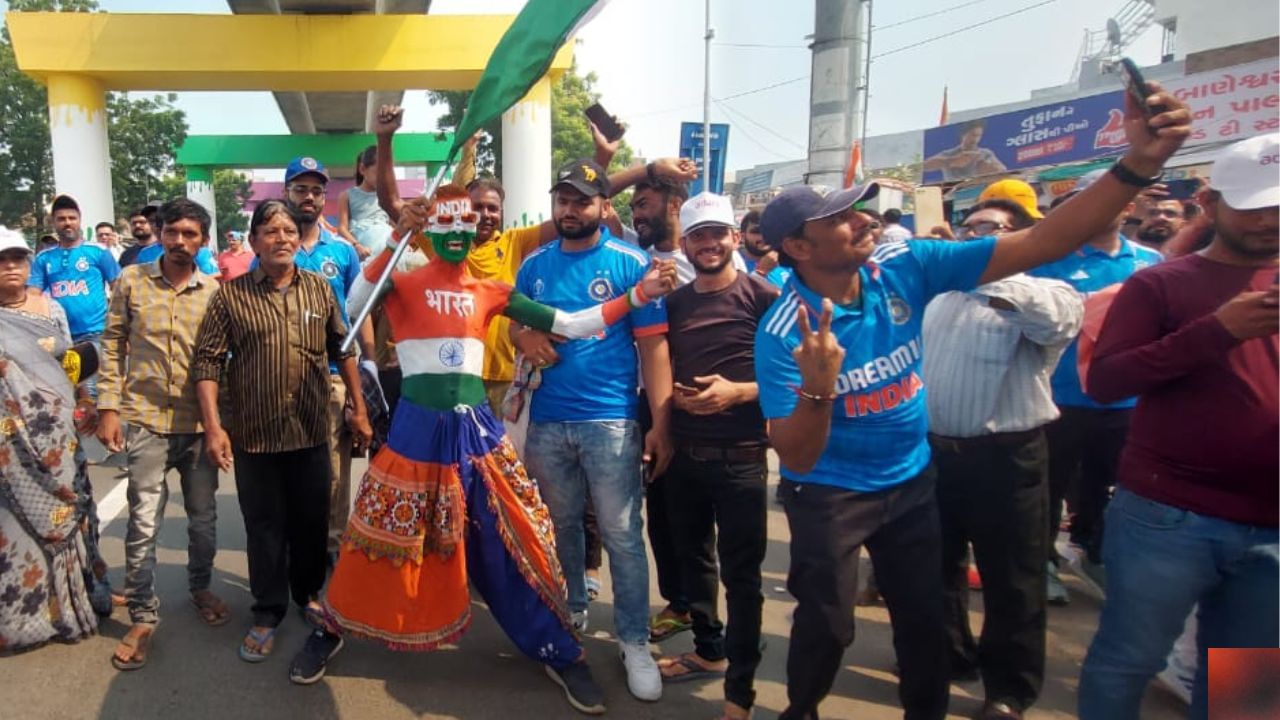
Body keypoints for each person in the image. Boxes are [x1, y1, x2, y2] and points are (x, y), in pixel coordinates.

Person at [753, 84, 1190, 720]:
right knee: (829, 626)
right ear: (798, 248)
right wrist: (820, 386)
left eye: (860, 210)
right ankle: (803, 708)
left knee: (925, 621)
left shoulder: (904, 267)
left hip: (911, 481)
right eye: (842, 218)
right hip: (831, 496)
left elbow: (1040, 244)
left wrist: (1138, 165)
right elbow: (795, 452)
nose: (865, 220)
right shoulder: (783, 331)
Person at [309, 185, 677, 707]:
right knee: (377, 535)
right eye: (446, 225)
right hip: (415, 434)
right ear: (431, 229)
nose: (457, 234)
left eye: (466, 225)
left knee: (513, 535)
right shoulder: (403, 281)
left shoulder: (493, 290)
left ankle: (556, 647)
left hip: (478, 432)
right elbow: (351, 305)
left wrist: (637, 297)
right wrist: (396, 234)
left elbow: (571, 324)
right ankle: (331, 627)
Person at [1078, 132, 1279, 720]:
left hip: (1271, 524)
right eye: (1254, 206)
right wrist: (1217, 332)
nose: (1269, 221)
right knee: (1128, 659)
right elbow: (1108, 380)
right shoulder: (1159, 284)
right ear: (1211, 204)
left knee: (1251, 679)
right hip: (1169, 515)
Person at [516, 159, 676, 703]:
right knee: (560, 524)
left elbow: (654, 348)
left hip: (610, 420)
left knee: (623, 536)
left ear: (604, 207)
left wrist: (661, 423)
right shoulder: (535, 265)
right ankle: (573, 609)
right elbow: (518, 321)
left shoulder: (633, 263)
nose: (570, 209)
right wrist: (521, 339)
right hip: (547, 420)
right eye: (562, 199)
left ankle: (633, 639)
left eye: (582, 200)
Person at [190, 199, 373, 665]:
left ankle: (307, 594)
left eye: (289, 230)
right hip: (255, 435)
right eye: (270, 231)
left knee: (312, 522)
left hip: (312, 430)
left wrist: (357, 406)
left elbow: (343, 349)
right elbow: (207, 362)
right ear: (253, 241)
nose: (283, 238)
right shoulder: (231, 296)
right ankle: (268, 611)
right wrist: (214, 427)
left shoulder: (318, 290)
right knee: (266, 527)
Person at [922, 198, 1082, 719]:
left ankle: (1009, 690)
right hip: (937, 456)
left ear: (1023, 238)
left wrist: (974, 267)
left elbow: (1052, 322)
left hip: (1007, 459)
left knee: (1013, 578)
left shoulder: (1048, 293)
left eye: (990, 230)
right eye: (971, 228)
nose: (975, 237)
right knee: (937, 568)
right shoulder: (941, 295)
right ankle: (950, 657)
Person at [654, 192, 780, 720]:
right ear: (685, 243)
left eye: (718, 234)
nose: (709, 244)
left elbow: (796, 378)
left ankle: (740, 692)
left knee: (743, 577)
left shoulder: (765, 297)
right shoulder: (675, 302)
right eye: (698, 236)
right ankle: (709, 650)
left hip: (743, 458)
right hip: (685, 456)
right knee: (695, 561)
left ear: (735, 237)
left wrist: (740, 392)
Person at [96, 198, 226, 671]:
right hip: (146, 418)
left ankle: (199, 587)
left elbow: (221, 363)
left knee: (203, 519)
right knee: (144, 520)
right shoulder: (132, 280)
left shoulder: (214, 291)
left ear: (203, 242)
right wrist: (108, 407)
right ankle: (144, 616)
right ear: (159, 231)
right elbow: (112, 344)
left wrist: (221, 426)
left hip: (196, 425)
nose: (179, 241)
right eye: (172, 231)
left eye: (190, 234)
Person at [1028, 168, 1165, 601]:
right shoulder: (1048, 260)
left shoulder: (1149, 264)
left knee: (1108, 488)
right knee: (1047, 489)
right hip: (1058, 398)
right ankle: (1043, 562)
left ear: (1126, 207)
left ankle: (1094, 551)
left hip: (1126, 402)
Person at [0, 228, 100, 651]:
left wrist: (85, 399)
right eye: (2, 261)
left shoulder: (49, 307)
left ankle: (80, 599)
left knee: (73, 514)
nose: (11, 268)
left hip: (59, 437)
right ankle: (26, 619)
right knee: (15, 527)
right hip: (11, 446)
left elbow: (71, 359)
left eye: (18, 259)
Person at [278, 155, 375, 564]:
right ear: (287, 193)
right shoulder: (272, 247)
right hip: (282, 377)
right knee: (287, 467)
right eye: (301, 189)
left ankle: (332, 545)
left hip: (335, 374)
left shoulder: (343, 252)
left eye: (317, 191)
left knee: (335, 472)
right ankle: (291, 545)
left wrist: (368, 369)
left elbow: (358, 311)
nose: (310, 197)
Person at [29, 195, 121, 348]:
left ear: (79, 220)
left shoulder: (98, 251)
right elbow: (32, 295)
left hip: (97, 333)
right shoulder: (43, 258)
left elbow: (119, 288)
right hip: (60, 335)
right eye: (61, 219)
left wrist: (121, 327)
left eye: (72, 218)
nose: (67, 223)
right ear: (53, 222)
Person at [336, 145, 391, 259]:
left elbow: (395, 224)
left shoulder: (387, 197)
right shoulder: (346, 196)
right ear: (362, 169)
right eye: (377, 173)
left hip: (388, 255)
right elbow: (342, 228)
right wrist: (357, 246)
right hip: (365, 256)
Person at [923, 119, 1008, 181]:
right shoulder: (950, 154)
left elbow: (1004, 171)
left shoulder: (985, 153)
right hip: (953, 196)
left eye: (978, 136)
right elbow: (923, 166)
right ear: (963, 134)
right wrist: (951, 161)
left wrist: (991, 168)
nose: (975, 139)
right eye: (972, 135)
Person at [118, 204, 159, 268]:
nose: (137, 225)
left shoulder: (164, 250)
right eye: (134, 223)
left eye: (142, 222)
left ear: (152, 223)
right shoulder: (126, 255)